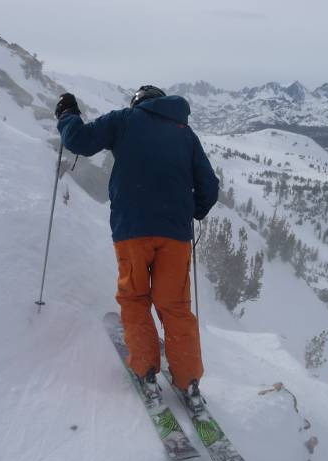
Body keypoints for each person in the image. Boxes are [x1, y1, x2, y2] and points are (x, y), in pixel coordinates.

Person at [55, 85, 219, 406]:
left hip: (132, 230)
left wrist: (67, 114)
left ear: (139, 103)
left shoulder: (125, 120)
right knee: (174, 306)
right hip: (175, 236)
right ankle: (188, 382)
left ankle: (146, 372)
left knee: (135, 298)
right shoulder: (185, 133)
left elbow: (80, 141)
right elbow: (209, 187)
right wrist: (191, 211)